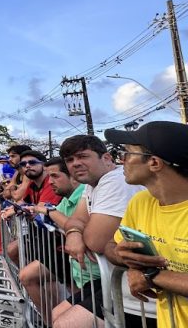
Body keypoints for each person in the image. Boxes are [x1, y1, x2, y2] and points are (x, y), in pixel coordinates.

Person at [52, 135, 149, 328]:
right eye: (70, 160)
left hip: (138, 286)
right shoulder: (92, 184)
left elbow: (96, 241)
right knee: (57, 313)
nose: (75, 164)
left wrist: (79, 233)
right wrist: (73, 233)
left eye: (83, 157)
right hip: (117, 280)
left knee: (66, 324)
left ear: (106, 158)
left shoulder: (115, 181)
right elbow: (77, 220)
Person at [103, 122, 188, 328]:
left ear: (154, 163)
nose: (121, 160)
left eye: (127, 153)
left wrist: (150, 275)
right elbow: (110, 246)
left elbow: (150, 275)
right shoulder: (142, 202)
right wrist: (125, 257)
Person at [19, 157, 91, 321]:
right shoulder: (67, 197)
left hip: (93, 272)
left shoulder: (86, 194)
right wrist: (37, 211)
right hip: (74, 265)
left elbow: (72, 225)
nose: (50, 182)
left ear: (73, 176)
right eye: (49, 176)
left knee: (69, 314)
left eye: (55, 176)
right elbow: (48, 216)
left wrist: (48, 212)